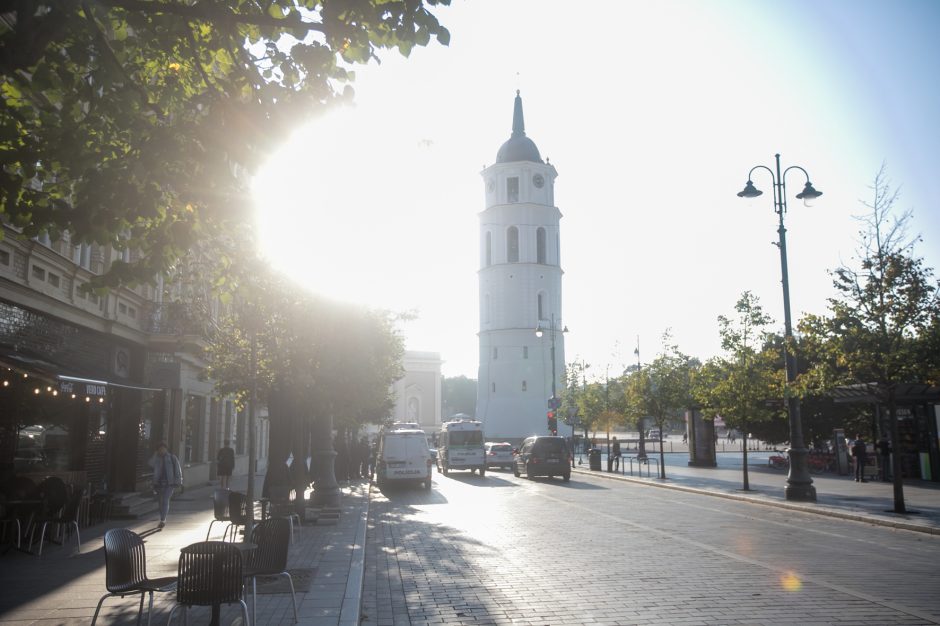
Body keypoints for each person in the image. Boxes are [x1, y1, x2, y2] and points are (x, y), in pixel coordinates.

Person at [149, 442, 182, 529]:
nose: (162, 451)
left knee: (165, 500)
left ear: (166, 449)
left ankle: (163, 519)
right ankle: (162, 517)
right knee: (160, 502)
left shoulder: (172, 458)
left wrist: (178, 481)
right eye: (160, 449)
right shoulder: (157, 458)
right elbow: (150, 464)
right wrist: (155, 455)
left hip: (169, 484)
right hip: (158, 483)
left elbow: (177, 470)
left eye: (163, 449)